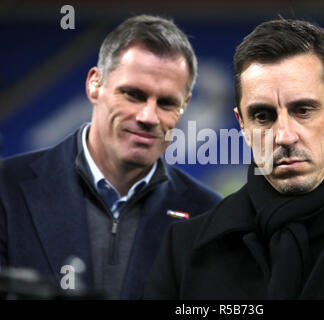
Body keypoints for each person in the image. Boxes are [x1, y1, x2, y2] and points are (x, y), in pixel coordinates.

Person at [144, 19, 324, 299]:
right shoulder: (184, 251)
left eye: (303, 110)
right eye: (262, 115)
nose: (284, 136)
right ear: (242, 125)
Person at [0, 15, 222, 300]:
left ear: (185, 106)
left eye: (166, 103)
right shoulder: (7, 189)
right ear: (94, 84)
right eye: (133, 94)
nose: (148, 117)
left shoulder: (209, 217)